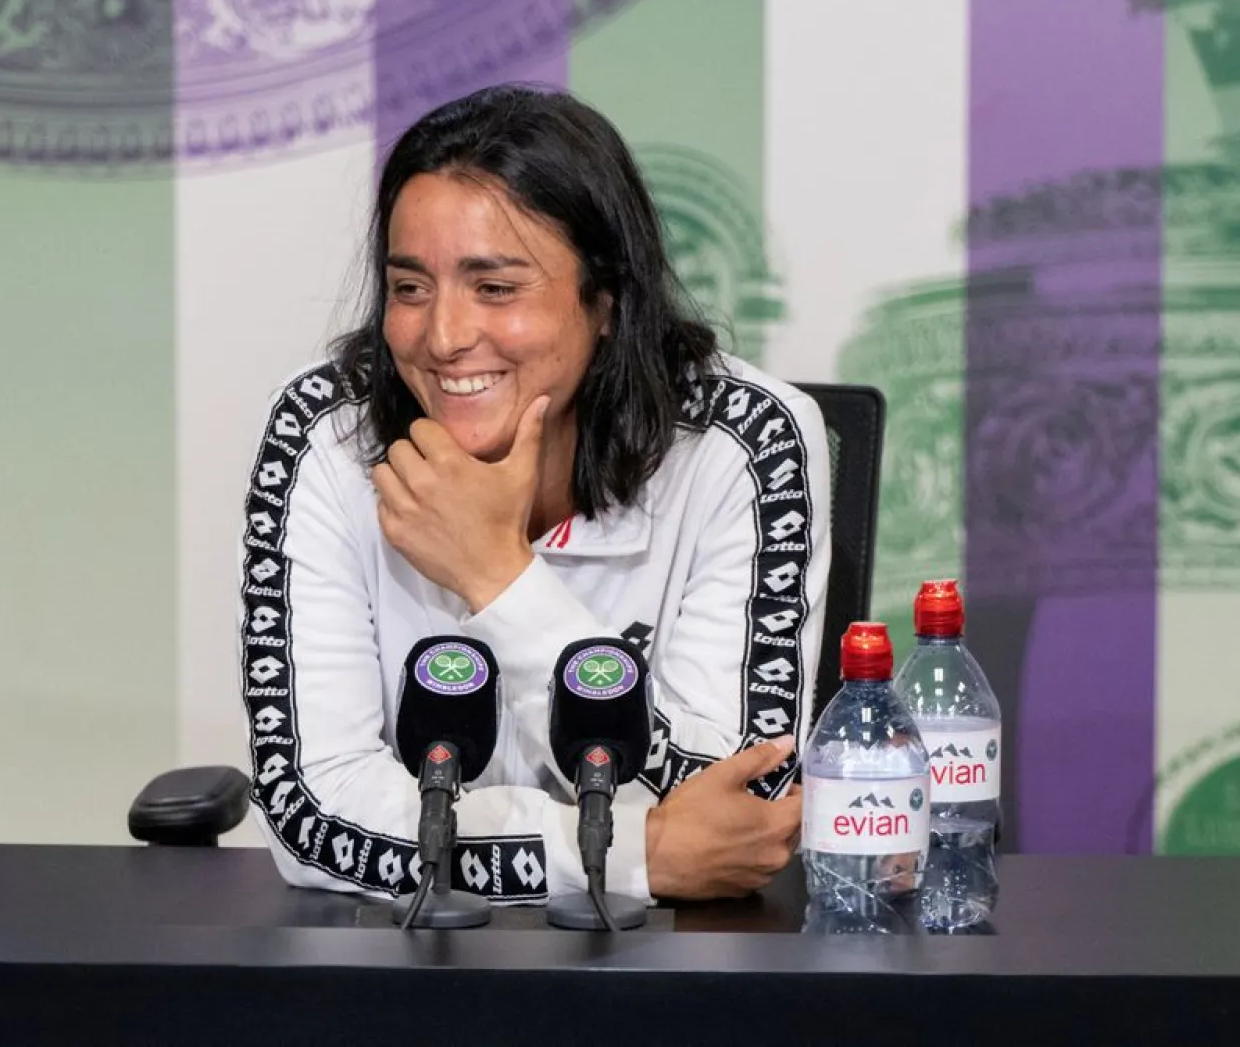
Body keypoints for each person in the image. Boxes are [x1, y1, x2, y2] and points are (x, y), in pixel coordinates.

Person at [239, 84, 830, 905]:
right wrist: (628, 859)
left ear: (607, 302)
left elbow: (737, 807)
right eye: (410, 288)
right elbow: (313, 812)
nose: (442, 337)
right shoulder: (323, 433)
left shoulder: (744, 441)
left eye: (495, 287)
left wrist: (499, 579)